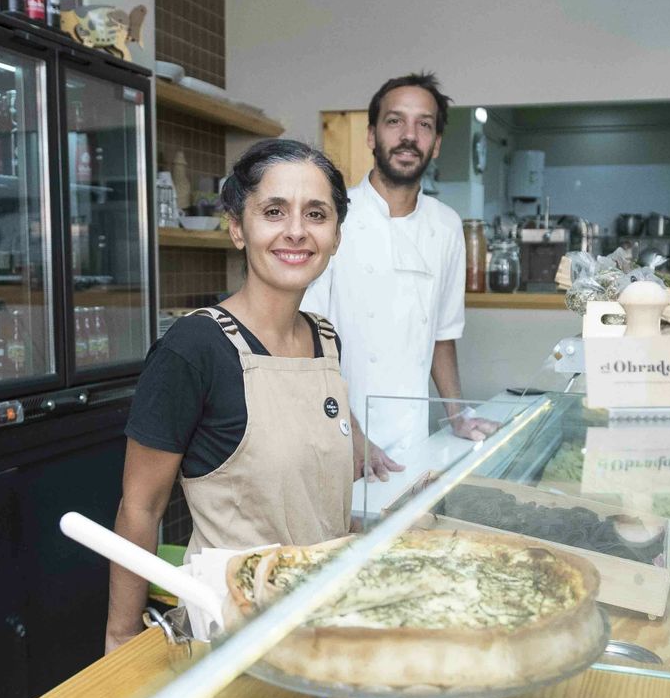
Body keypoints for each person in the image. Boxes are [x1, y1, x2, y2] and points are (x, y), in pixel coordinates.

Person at [105, 139, 356, 652]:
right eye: (273, 212)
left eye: (316, 214)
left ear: (336, 235)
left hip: (322, 622)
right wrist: (121, 638)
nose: (296, 231)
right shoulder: (194, 348)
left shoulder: (325, 339)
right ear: (237, 228)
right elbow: (141, 507)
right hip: (232, 636)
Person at [303, 72, 496, 475]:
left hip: (412, 441)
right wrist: (354, 435)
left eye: (424, 124)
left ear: (437, 144)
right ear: (371, 135)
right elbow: (306, 342)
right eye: (395, 121)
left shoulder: (446, 226)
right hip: (335, 435)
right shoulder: (332, 217)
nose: (409, 136)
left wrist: (456, 414)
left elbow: (442, 335)